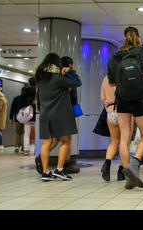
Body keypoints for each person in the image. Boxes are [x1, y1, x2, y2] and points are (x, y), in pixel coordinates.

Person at [107, 26, 143, 190]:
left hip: (122, 99)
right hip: (139, 98)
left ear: (124, 37)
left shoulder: (114, 57)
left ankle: (128, 178)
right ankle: (134, 164)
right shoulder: (142, 51)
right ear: (138, 37)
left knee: (124, 138)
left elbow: (111, 83)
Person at [35, 53, 81, 181]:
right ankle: (59, 170)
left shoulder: (41, 80)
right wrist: (70, 70)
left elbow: (38, 100)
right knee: (66, 141)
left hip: (44, 114)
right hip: (61, 114)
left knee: (46, 143)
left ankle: (45, 172)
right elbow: (78, 82)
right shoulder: (57, 78)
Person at [100, 75, 133, 182]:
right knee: (125, 142)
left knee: (114, 141)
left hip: (110, 112)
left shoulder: (106, 78)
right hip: (124, 111)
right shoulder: (125, 77)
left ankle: (107, 164)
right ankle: (121, 171)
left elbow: (102, 97)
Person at [21, 77, 37, 156]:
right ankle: (36, 150)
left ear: (29, 83)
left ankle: (26, 150)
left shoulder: (25, 90)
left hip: (27, 113)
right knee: (37, 133)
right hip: (36, 113)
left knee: (26, 132)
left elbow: (22, 102)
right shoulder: (39, 90)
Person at [9, 88, 25, 153]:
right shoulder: (28, 99)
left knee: (18, 133)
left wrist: (11, 118)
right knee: (25, 133)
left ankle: (17, 147)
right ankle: (24, 147)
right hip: (26, 118)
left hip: (17, 118)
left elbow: (12, 108)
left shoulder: (16, 98)